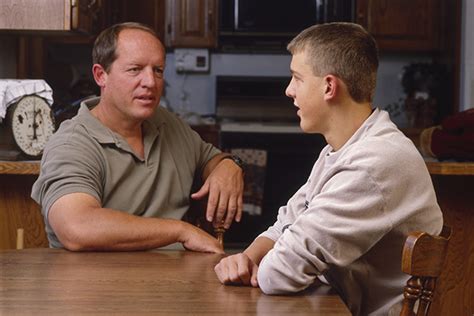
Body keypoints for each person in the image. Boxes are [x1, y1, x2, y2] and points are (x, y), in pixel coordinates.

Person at [214, 22, 443, 316]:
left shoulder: (375, 164)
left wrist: (266, 265)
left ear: (329, 86)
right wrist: (246, 258)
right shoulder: (343, 149)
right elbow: (286, 222)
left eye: (297, 78)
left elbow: (279, 274)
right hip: (334, 304)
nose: (288, 90)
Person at [31, 22, 244, 253]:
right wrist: (180, 230)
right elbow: (77, 228)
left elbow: (209, 159)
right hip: (95, 286)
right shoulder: (72, 144)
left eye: (158, 70)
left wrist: (229, 166)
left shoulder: (167, 123)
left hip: (173, 282)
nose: (150, 82)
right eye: (135, 69)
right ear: (101, 75)